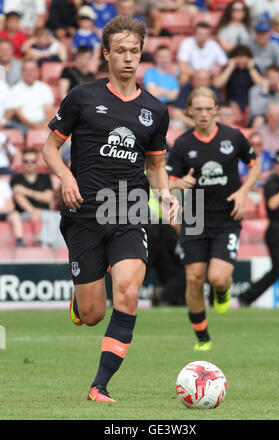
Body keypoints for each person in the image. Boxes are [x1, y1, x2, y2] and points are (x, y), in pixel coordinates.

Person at [42, 15, 178, 402]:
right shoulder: (83, 97)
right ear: (106, 54)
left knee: (129, 292)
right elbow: (49, 148)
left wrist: (165, 195)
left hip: (130, 211)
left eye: (135, 51)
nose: (129, 58)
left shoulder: (155, 110)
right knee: (92, 314)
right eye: (120, 51)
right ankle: (80, 302)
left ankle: (98, 386)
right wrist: (67, 178)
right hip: (83, 212)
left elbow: (154, 165)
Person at [167, 86, 261, 351]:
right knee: (195, 278)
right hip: (194, 215)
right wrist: (178, 183)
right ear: (190, 112)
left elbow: (255, 166)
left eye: (209, 109)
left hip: (227, 216)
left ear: (217, 111)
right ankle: (202, 337)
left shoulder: (234, 136)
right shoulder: (183, 144)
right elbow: (167, 181)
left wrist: (244, 192)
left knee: (218, 278)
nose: (204, 114)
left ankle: (222, 292)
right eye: (198, 109)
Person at [239, 150, 279, 307]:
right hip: (275, 230)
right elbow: (272, 204)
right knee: (278, 269)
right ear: (275, 165)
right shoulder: (272, 183)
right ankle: (247, 297)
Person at [4, 59, 55, 136]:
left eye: (32, 69)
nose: (29, 72)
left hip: (43, 123)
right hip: (24, 126)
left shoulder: (44, 87)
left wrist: (46, 125)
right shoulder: (15, 89)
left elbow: (49, 108)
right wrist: (36, 126)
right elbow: (18, 113)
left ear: (37, 71)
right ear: (22, 72)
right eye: (26, 70)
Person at [213, 44, 264, 113]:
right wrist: (230, 68)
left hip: (251, 104)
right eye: (239, 57)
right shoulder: (229, 68)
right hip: (231, 105)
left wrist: (251, 69)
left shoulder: (254, 68)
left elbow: (261, 85)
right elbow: (218, 84)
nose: (242, 60)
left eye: (245, 57)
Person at [10, 148, 54, 222]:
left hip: (45, 214)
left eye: (33, 161)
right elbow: (17, 196)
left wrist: (25, 191)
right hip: (24, 215)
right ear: (22, 162)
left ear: (37, 162)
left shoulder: (45, 177)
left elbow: (48, 198)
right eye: (26, 161)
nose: (29, 164)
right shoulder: (16, 179)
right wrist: (33, 212)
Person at [239, 131, 274, 205]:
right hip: (251, 192)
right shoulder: (242, 159)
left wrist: (270, 172)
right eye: (252, 144)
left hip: (269, 190)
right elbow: (243, 181)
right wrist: (260, 190)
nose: (256, 147)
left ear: (262, 144)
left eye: (259, 144)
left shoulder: (269, 156)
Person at [72, 5, 101, 71]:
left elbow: (97, 49)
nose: (85, 22)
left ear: (92, 21)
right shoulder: (77, 35)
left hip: (91, 61)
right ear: (78, 21)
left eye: (87, 20)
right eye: (82, 20)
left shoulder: (94, 35)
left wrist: (93, 60)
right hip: (80, 60)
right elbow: (75, 50)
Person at [0, 174, 25, 246]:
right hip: (3, 210)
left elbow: (11, 206)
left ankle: (20, 241)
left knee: (15, 215)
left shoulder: (3, 185)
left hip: (4, 213)